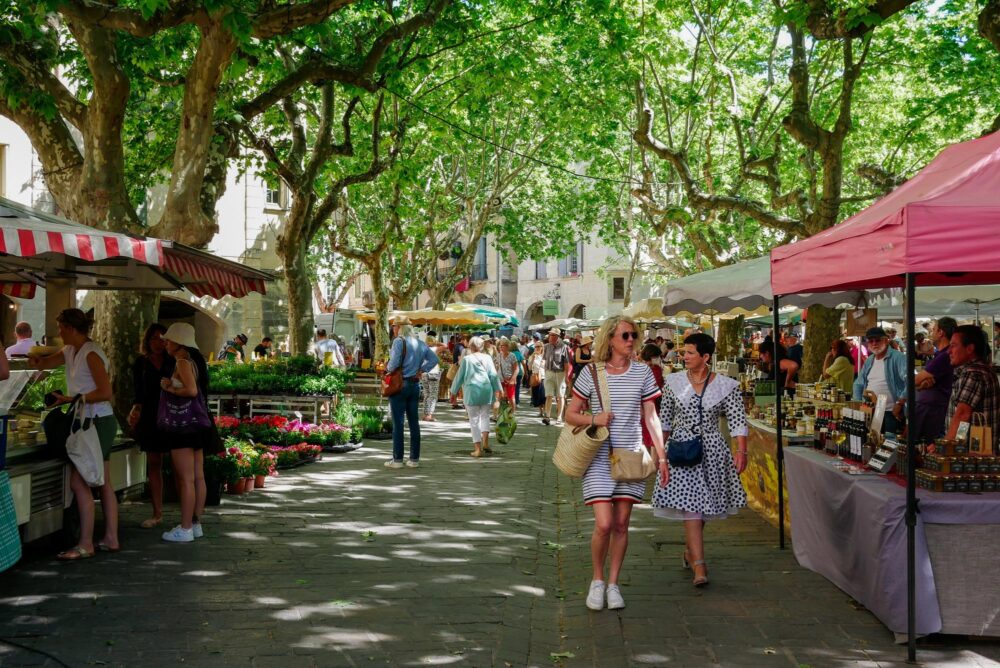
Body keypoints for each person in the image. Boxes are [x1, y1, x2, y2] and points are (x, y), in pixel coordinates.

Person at [565, 315, 667, 611]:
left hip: (631, 454)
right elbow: (571, 414)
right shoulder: (591, 374)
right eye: (625, 335)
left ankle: (613, 583)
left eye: (634, 334)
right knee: (604, 523)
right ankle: (597, 580)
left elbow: (651, 416)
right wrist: (594, 418)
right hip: (598, 455)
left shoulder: (644, 373)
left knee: (622, 524)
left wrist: (661, 456)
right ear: (610, 338)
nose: (631, 340)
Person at [652, 332, 748, 588]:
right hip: (682, 451)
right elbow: (665, 420)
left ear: (706, 357)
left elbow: (738, 420)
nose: (684, 356)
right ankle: (699, 565)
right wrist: (659, 453)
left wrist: (741, 450)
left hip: (713, 450)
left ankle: (690, 550)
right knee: (692, 507)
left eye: (690, 353)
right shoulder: (672, 382)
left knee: (706, 506)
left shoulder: (726, 386)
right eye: (683, 352)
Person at [30, 309, 119, 559]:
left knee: (80, 482)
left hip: (97, 421)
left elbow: (105, 392)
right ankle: (110, 537)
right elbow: (48, 362)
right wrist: (36, 361)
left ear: (70, 328)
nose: (58, 333)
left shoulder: (90, 353)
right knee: (104, 482)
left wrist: (72, 398)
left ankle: (86, 544)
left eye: (60, 328)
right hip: (90, 420)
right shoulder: (71, 350)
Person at [159, 322, 213, 542]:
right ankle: (195, 523)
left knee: (186, 480)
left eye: (169, 340)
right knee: (198, 477)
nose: (165, 343)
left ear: (178, 342)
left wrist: (168, 388)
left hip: (182, 427)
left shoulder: (181, 362)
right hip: (196, 425)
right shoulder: (193, 361)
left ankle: (186, 528)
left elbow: (190, 390)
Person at [126, 323, 176, 530]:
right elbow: (138, 392)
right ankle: (157, 513)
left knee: (178, 464)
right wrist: (135, 411)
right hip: (149, 416)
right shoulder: (141, 363)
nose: (159, 343)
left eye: (163, 338)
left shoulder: (174, 361)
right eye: (154, 338)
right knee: (154, 464)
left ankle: (189, 511)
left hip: (173, 414)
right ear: (148, 341)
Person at [384, 316, 438, 468]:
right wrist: (422, 370)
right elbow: (434, 360)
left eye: (394, 326)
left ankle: (397, 460)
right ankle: (414, 459)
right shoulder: (420, 343)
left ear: (400, 327)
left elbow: (393, 364)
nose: (393, 329)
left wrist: (386, 369)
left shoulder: (399, 342)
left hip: (400, 385)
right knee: (414, 423)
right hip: (414, 385)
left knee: (398, 422)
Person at [945, 325, 1000, 453]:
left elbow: (963, 415)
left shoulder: (973, 373)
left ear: (969, 348)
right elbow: (965, 419)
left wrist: (945, 448)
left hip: (973, 457)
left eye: (953, 345)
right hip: (974, 453)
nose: (949, 351)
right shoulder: (978, 370)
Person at [449, 336, 503, 458]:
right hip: (486, 390)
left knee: (474, 420)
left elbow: (459, 377)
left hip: (471, 391)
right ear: (482, 346)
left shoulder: (467, 359)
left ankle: (477, 449)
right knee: (485, 417)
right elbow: (493, 375)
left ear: (471, 346)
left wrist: (453, 392)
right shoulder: (487, 358)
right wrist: (498, 390)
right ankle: (486, 443)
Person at [853, 326, 907, 435]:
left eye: (878, 340)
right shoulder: (870, 360)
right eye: (871, 341)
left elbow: (911, 382)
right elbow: (858, 383)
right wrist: (858, 403)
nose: (874, 343)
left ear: (886, 340)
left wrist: (900, 403)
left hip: (891, 412)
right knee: (872, 443)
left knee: (889, 445)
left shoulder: (898, 357)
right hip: (871, 411)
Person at [913, 317, 957, 444]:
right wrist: (924, 383)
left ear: (941, 332)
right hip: (931, 407)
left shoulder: (944, 355)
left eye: (933, 329)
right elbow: (922, 383)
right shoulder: (941, 354)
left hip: (933, 410)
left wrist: (922, 382)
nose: (931, 333)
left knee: (926, 447)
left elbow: (916, 381)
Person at [639, 342, 665, 449]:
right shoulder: (656, 369)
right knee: (653, 433)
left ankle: (650, 461)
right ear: (652, 356)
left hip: (644, 405)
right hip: (653, 404)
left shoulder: (639, 368)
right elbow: (658, 386)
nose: (658, 358)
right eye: (657, 356)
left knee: (647, 433)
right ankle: (654, 462)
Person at [542, 327, 570, 426]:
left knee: (560, 395)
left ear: (557, 336)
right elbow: (544, 360)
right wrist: (544, 372)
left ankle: (559, 417)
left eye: (553, 335)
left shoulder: (564, 347)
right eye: (550, 334)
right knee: (548, 395)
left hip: (560, 373)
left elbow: (566, 363)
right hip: (549, 372)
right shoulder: (546, 346)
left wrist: (566, 376)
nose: (550, 336)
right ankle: (547, 416)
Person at [421, 334, 447, 422]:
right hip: (433, 373)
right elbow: (445, 346)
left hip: (424, 373)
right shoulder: (435, 349)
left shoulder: (423, 349)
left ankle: (425, 414)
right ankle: (429, 415)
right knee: (433, 395)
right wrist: (437, 342)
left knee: (426, 394)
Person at [496, 337, 518, 408]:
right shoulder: (499, 355)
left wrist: (512, 380)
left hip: (509, 380)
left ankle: (512, 414)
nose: (501, 347)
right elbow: (497, 367)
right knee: (499, 397)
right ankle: (499, 415)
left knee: (510, 397)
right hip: (500, 380)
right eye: (500, 346)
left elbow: (516, 369)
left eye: (503, 346)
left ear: (507, 346)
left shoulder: (512, 356)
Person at [529, 343, 547, 417]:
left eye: (538, 346)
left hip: (543, 377)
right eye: (535, 347)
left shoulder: (545, 356)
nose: (536, 348)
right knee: (537, 395)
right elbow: (529, 367)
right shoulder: (532, 356)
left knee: (543, 395)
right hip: (535, 377)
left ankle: (546, 411)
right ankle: (541, 411)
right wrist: (532, 358)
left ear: (542, 347)